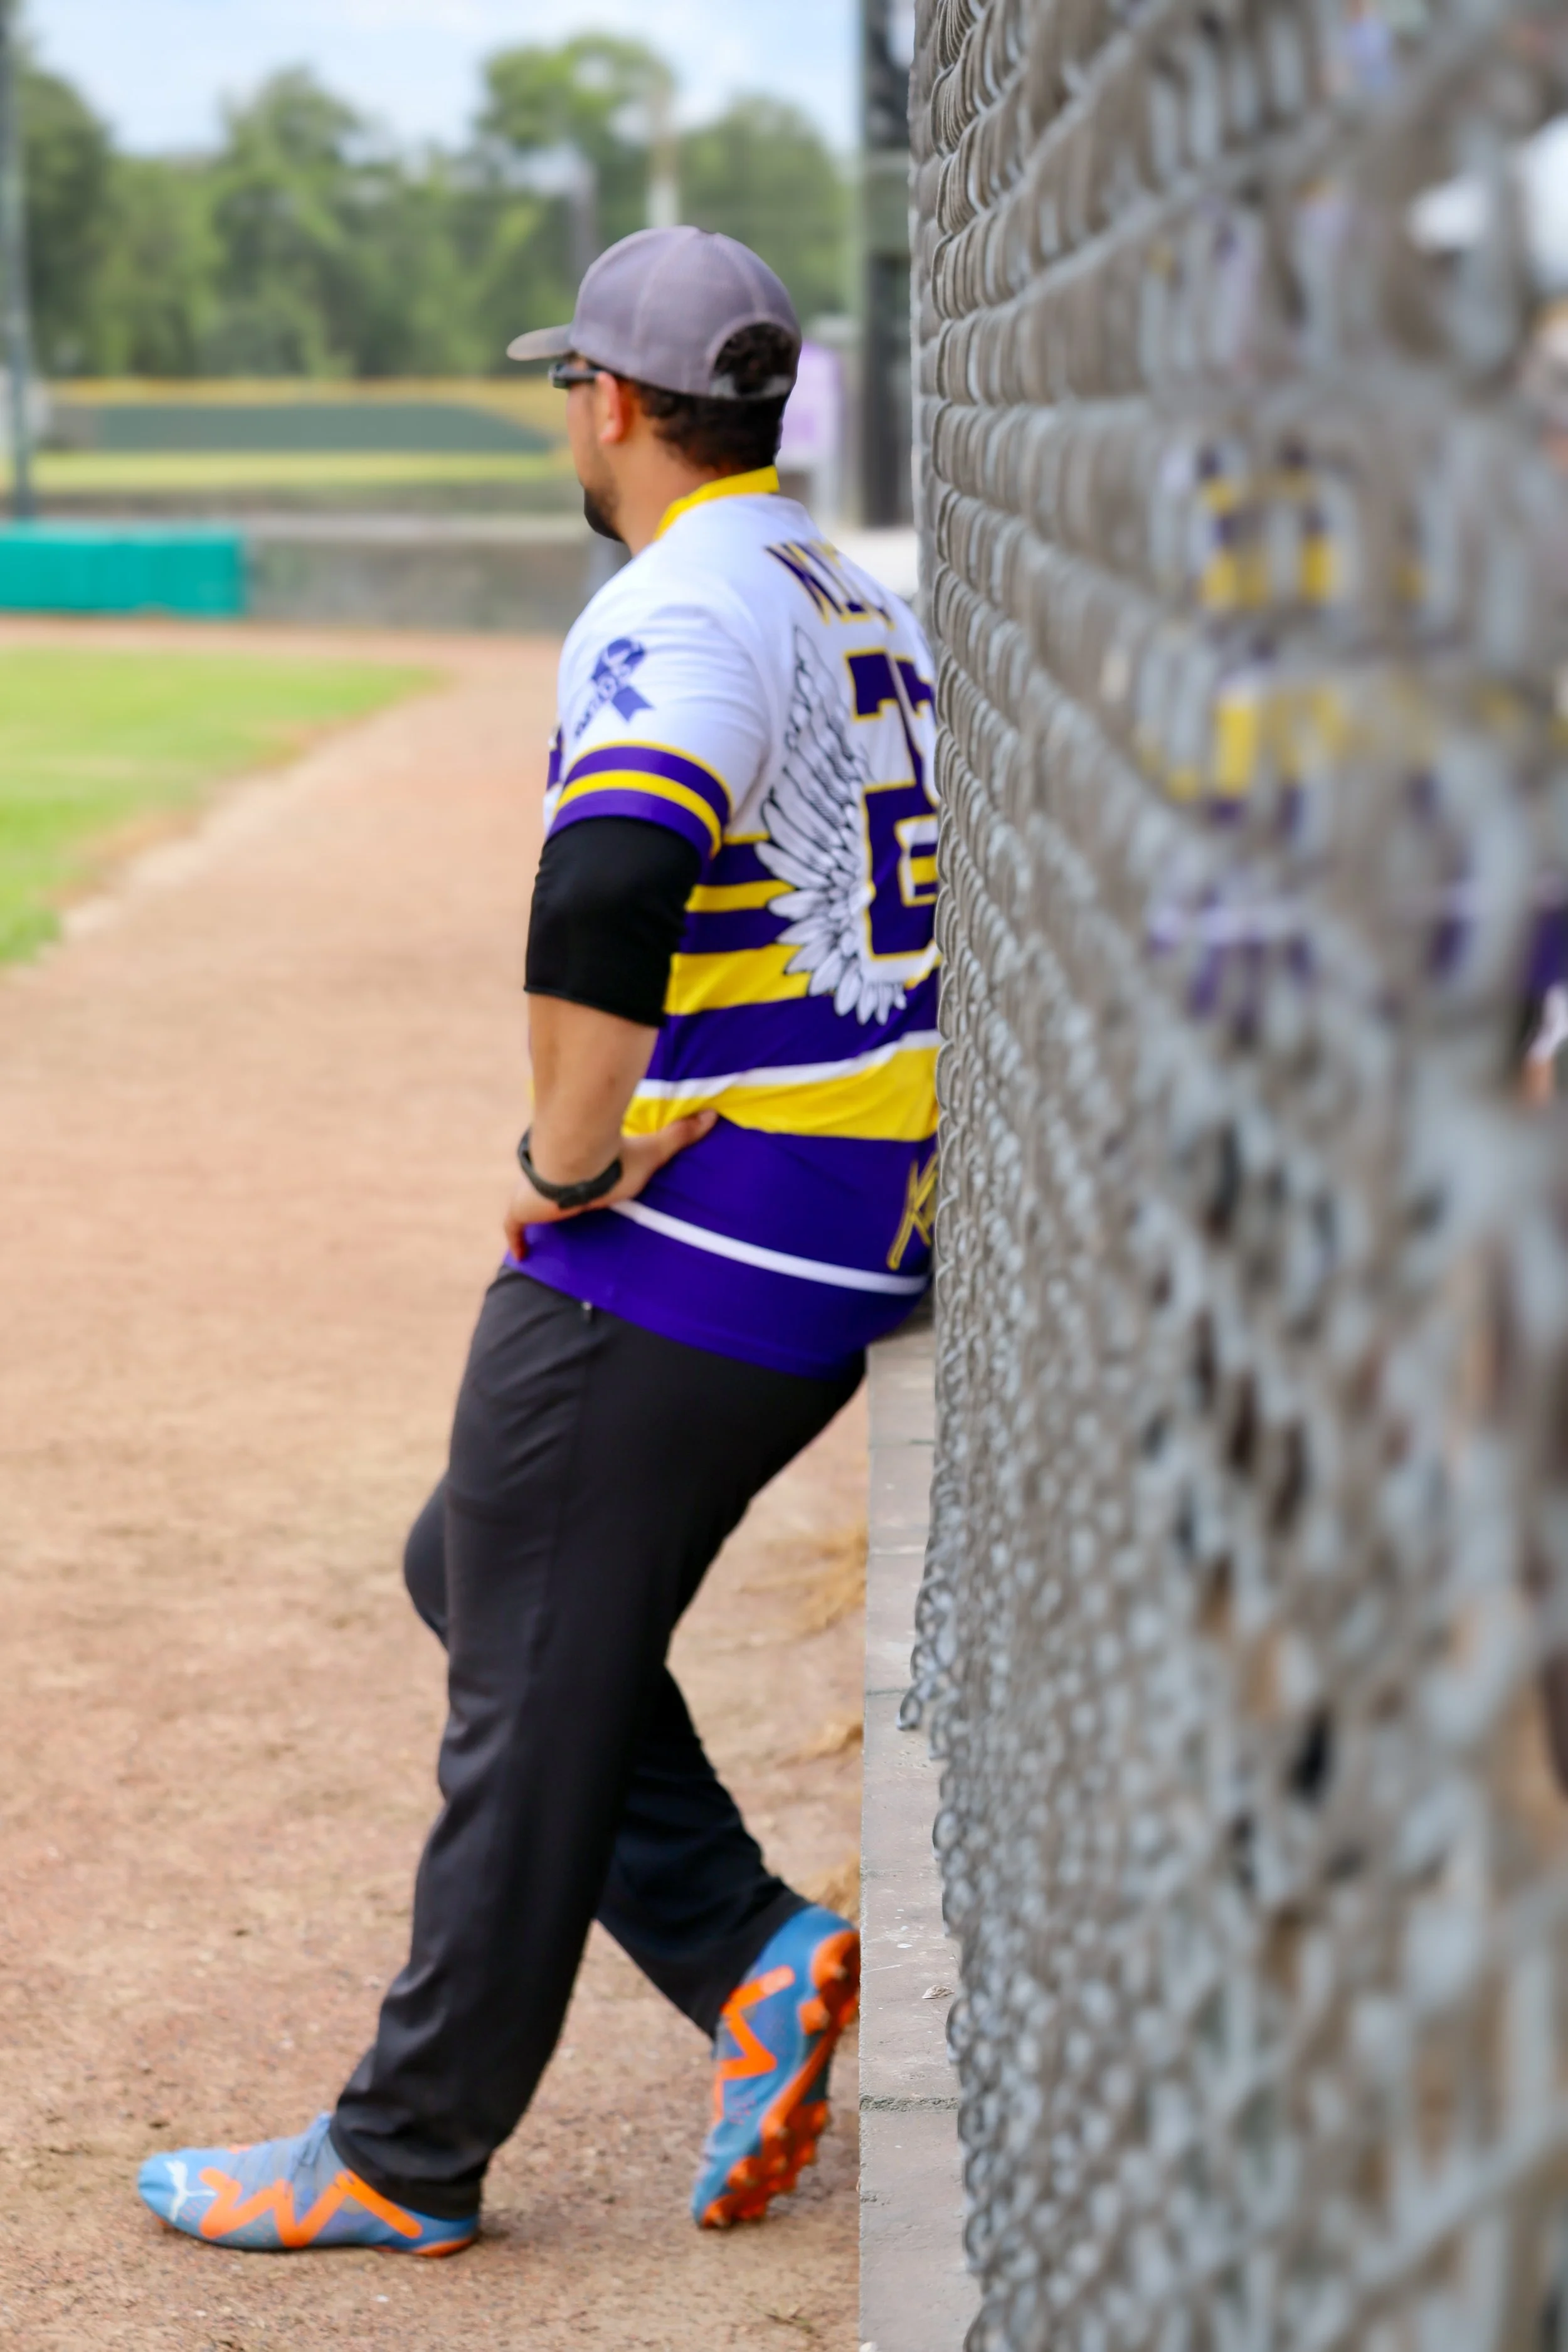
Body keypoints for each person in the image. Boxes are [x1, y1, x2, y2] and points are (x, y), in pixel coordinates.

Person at [137, 226, 939, 2258]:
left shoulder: (670, 593)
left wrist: (570, 1160)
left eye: (565, 385)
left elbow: (609, 881)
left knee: (518, 1657)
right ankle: (753, 1948)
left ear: (603, 403)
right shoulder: (842, 577)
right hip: (866, 1193)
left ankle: (404, 2149)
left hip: (727, 1221)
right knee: (477, 1572)